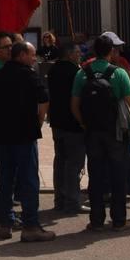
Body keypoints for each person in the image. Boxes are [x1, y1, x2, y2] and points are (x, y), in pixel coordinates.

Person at [0, 41, 54, 242]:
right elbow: (44, 100)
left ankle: (5, 223)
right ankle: (31, 225)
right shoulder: (30, 75)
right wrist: (38, 122)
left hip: (2, 137)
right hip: (24, 135)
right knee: (28, 179)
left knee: (5, 179)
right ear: (21, 55)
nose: (34, 58)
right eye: (32, 55)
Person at [73, 31, 130, 231]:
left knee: (96, 175)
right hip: (116, 131)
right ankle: (119, 220)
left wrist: (84, 123)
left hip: (92, 132)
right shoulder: (119, 73)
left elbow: (74, 105)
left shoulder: (83, 73)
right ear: (111, 51)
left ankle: (96, 220)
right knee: (118, 175)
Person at [46, 38, 85, 215]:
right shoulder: (77, 72)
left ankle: (59, 199)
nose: (80, 55)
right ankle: (72, 201)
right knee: (73, 163)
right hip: (73, 123)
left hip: (57, 121)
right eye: (77, 52)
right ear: (70, 54)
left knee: (60, 161)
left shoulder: (53, 69)